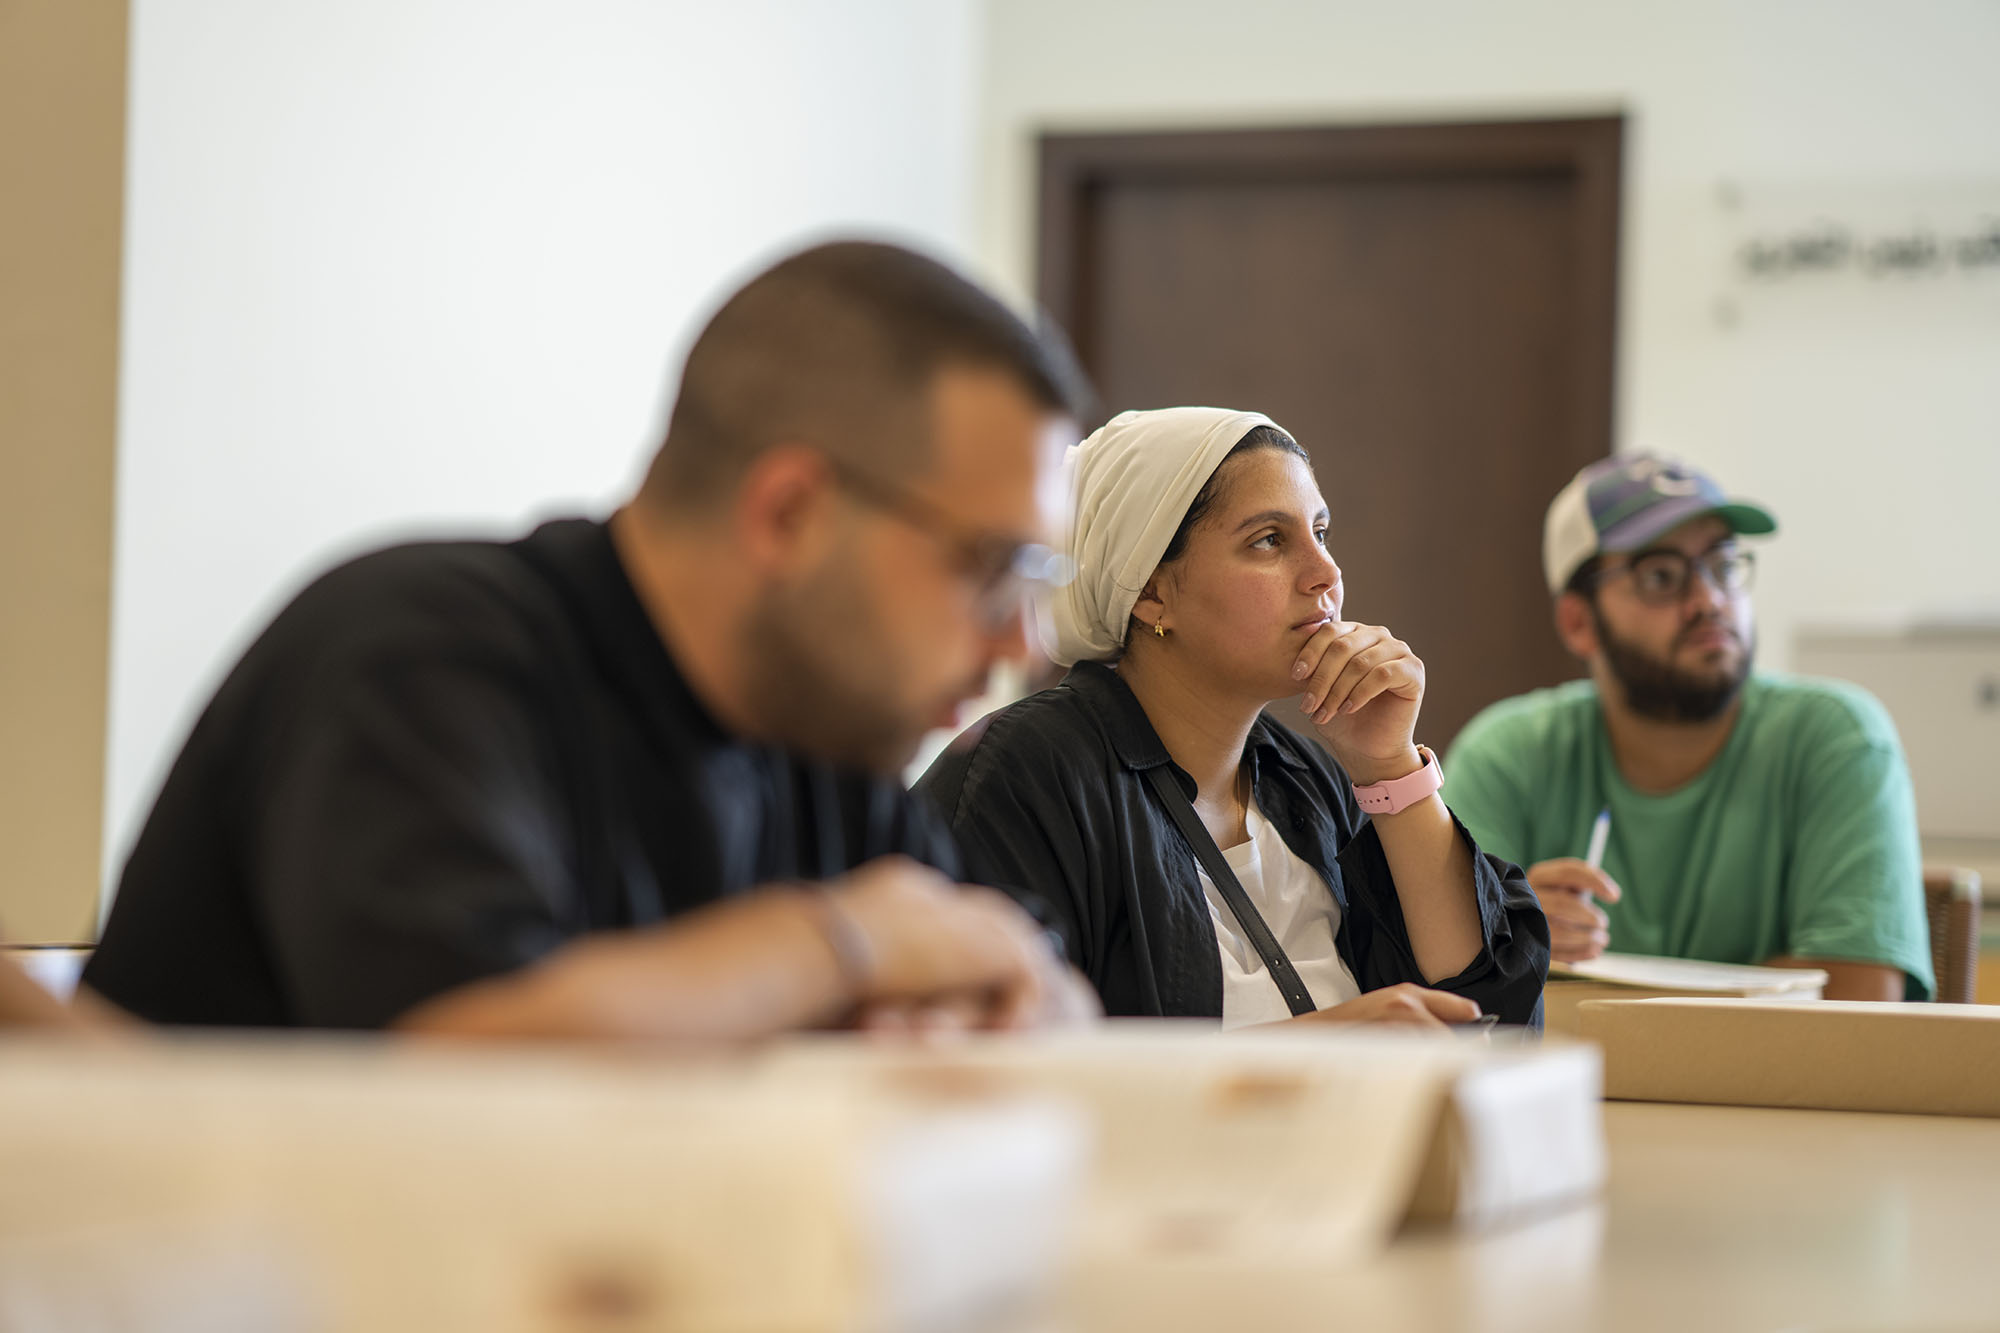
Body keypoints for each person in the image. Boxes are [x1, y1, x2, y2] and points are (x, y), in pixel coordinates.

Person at [83, 240, 1100, 1039]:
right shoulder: (419, 653)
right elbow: (467, 1056)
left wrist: (1001, 986)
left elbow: (1034, 987)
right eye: (988, 566)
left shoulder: (821, 731)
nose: (1018, 635)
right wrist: (843, 947)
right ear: (788, 514)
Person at [917, 408, 1548, 1029]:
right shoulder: (1026, 774)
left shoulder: (1305, 777)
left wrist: (1390, 767)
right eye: (1269, 540)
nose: (1326, 573)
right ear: (1150, 592)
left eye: (1321, 533)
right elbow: (1017, 1074)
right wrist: (1329, 1050)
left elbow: (1488, 1007)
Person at [1444, 454, 1933, 1000]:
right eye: (1661, 576)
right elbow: (1451, 991)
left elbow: (1860, 996)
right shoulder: (1507, 755)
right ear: (1579, 623)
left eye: (1723, 566)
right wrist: (1514, 946)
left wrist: (1549, 984)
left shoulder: (1837, 738)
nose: (1709, 600)